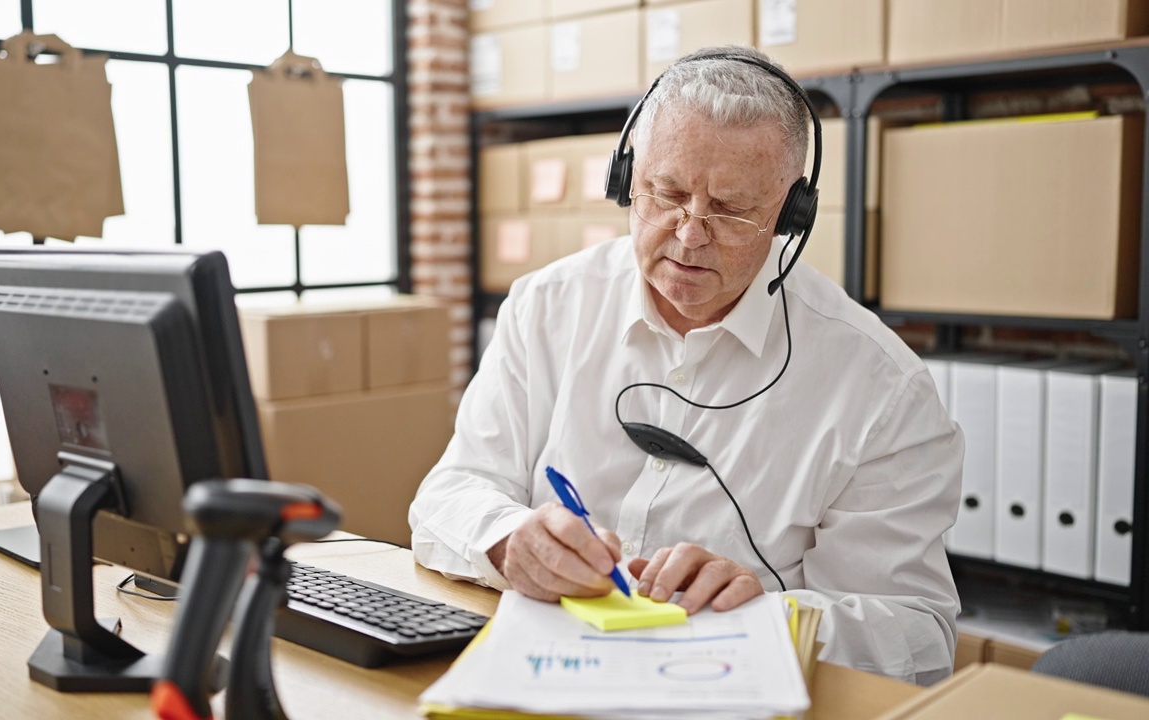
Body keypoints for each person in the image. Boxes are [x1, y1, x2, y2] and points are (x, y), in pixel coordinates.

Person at [409, 45, 964, 686]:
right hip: (548, 675)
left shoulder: (880, 386)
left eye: (731, 209)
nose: (690, 234)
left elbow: (920, 636)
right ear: (625, 178)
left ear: (790, 215)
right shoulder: (547, 306)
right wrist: (510, 539)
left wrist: (772, 613)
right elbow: (447, 494)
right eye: (666, 193)